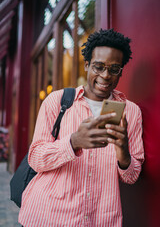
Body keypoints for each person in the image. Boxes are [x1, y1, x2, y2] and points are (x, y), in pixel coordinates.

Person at [18, 29, 144, 227]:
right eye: (98, 66)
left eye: (114, 69)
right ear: (87, 65)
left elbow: (132, 177)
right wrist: (73, 141)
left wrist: (124, 153)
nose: (105, 75)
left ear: (121, 71)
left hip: (100, 219)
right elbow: (35, 158)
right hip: (48, 216)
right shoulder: (57, 101)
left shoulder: (132, 112)